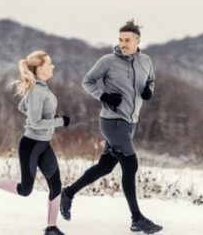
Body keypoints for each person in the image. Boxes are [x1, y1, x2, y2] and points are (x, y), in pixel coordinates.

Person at [60, 20, 163, 234]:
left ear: (137, 41)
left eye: (127, 40)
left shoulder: (146, 61)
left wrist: (148, 91)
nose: (123, 44)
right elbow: (87, 81)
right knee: (130, 165)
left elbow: (151, 80)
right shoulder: (107, 61)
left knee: (105, 166)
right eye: (120, 39)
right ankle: (137, 219)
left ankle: (68, 193)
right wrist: (104, 96)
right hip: (112, 121)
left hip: (130, 122)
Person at [0, 50, 70, 235]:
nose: (52, 66)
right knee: (25, 190)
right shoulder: (37, 90)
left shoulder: (40, 87)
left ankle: (51, 228)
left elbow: (22, 107)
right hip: (31, 145)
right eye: (49, 64)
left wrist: (40, 117)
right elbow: (35, 122)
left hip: (44, 144)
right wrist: (60, 121)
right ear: (40, 69)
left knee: (56, 184)